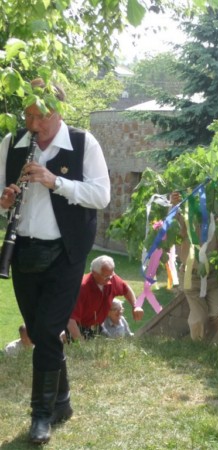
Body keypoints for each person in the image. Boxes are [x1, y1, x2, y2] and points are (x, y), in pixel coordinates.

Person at [0, 78, 110, 443]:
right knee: (41, 332)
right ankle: (61, 402)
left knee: (47, 332)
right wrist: (3, 201)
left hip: (66, 253)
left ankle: (41, 416)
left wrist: (54, 181)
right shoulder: (12, 143)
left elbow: (101, 196)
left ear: (58, 110)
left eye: (41, 116)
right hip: (23, 252)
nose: (33, 125)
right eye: (28, 116)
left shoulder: (83, 143)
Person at [170, 191, 218, 344]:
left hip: (213, 278)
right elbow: (172, 226)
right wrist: (174, 205)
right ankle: (198, 346)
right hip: (191, 278)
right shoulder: (186, 220)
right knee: (199, 317)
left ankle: (212, 345)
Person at [67, 255, 142, 341]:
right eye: (106, 276)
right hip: (76, 329)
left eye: (112, 274)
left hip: (96, 328)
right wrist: (80, 343)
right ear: (94, 273)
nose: (110, 279)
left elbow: (126, 289)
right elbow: (70, 320)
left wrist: (135, 306)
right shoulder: (82, 288)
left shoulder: (111, 278)